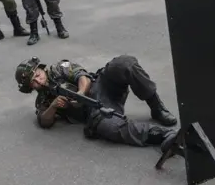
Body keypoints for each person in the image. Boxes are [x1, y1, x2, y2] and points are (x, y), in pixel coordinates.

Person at [14, 55, 178, 149]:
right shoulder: (42, 99)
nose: (39, 81)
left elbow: (82, 77)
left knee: (123, 64)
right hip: (95, 112)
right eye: (33, 82)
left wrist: (80, 93)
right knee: (108, 127)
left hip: (101, 87)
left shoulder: (59, 68)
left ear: (41, 69)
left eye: (37, 75)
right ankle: (163, 136)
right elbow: (44, 121)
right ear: (30, 88)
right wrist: (53, 106)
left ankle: (156, 107)